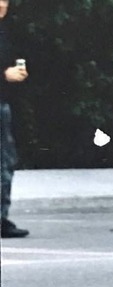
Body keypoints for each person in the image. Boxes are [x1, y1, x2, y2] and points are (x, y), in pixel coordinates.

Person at [0, 0, 28, 238]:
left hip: (2, 105)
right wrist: (4, 75)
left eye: (5, 1)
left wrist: (16, 73)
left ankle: (1, 218)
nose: (1, 5)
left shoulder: (4, 33)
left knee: (5, 163)